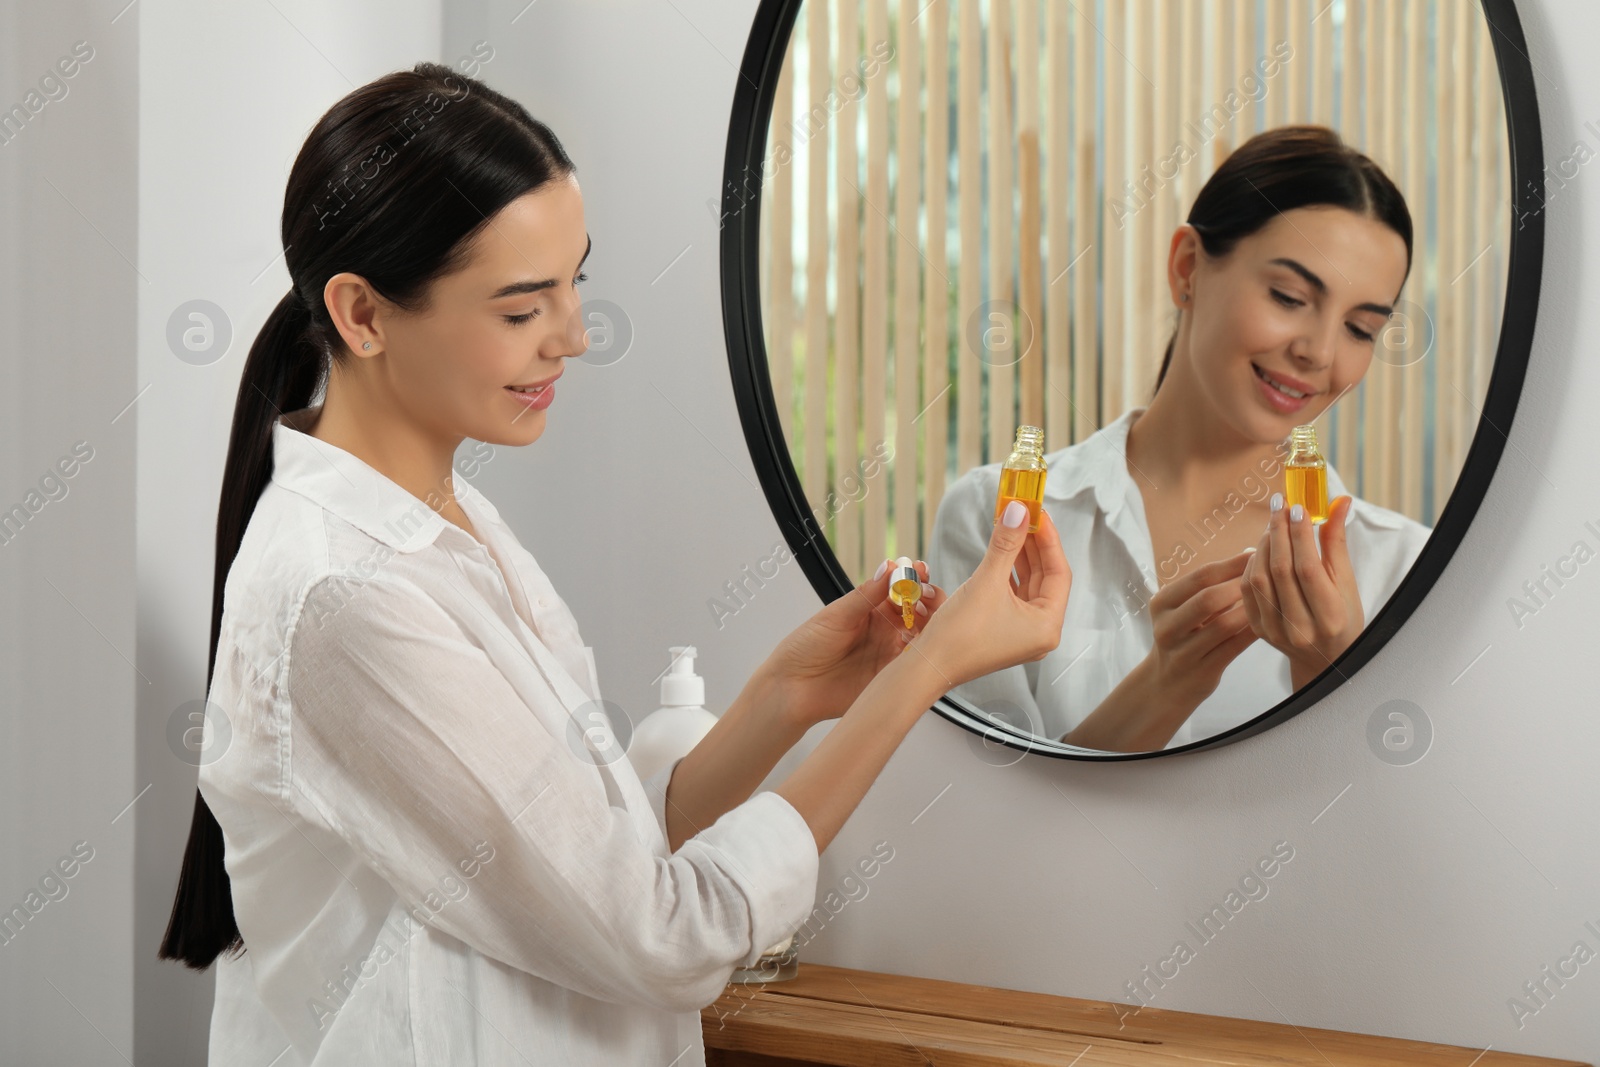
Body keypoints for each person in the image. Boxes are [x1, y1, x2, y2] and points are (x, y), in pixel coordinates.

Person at [156, 62, 1070, 1066]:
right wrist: (919, 674)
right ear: (363, 314)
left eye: (573, 281)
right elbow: (660, 934)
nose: (575, 336)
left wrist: (785, 697)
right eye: (519, 310)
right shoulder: (347, 598)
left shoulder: (453, 528)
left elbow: (595, 863)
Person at [928, 126, 1429, 753]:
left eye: (1361, 329)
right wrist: (1169, 682)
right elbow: (985, 823)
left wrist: (1330, 673)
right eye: (1289, 296)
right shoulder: (997, 521)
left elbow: (1390, 838)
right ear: (1188, 268)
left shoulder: (1406, 569)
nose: (1319, 352)